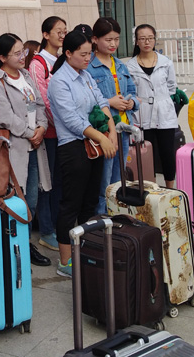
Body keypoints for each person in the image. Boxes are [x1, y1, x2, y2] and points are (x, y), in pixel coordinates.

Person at [48, 31, 117, 278]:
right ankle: (65, 261)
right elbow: (71, 120)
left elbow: (102, 103)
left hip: (94, 144)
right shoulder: (59, 81)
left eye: (89, 54)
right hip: (73, 147)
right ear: (68, 53)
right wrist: (102, 137)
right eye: (83, 54)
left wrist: (111, 131)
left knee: (90, 202)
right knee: (71, 204)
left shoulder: (85, 75)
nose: (88, 59)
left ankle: (87, 251)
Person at [0, 33, 52, 267]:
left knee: (30, 200)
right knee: (14, 199)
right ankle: (13, 249)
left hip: (34, 146)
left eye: (23, 51)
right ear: (2, 57)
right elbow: (4, 117)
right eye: (16, 53)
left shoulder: (25, 75)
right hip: (14, 149)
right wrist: (30, 132)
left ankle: (25, 243)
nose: (22, 56)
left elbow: (39, 104)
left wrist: (41, 127)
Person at [87, 17, 138, 213]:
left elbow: (133, 91)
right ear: (95, 39)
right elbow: (87, 100)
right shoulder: (89, 67)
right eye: (108, 40)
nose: (113, 44)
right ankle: (101, 218)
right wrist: (110, 102)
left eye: (116, 39)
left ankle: (116, 215)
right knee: (103, 181)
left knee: (118, 179)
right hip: (104, 132)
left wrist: (132, 102)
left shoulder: (120, 65)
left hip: (123, 129)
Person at [28, 16, 66, 252]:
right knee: (46, 184)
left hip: (64, 133)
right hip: (49, 133)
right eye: (58, 31)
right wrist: (63, 123)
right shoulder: (38, 64)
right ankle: (46, 230)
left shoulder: (63, 60)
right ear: (45, 34)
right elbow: (42, 100)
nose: (62, 35)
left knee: (60, 183)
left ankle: (57, 226)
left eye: (64, 31)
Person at [126, 24, 178, 188]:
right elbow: (130, 90)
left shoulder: (165, 62)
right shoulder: (130, 66)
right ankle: (150, 188)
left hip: (164, 113)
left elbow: (172, 87)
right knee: (146, 154)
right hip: (142, 114)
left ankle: (170, 188)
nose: (147, 42)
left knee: (167, 152)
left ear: (155, 39)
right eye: (142, 38)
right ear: (136, 41)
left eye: (150, 38)